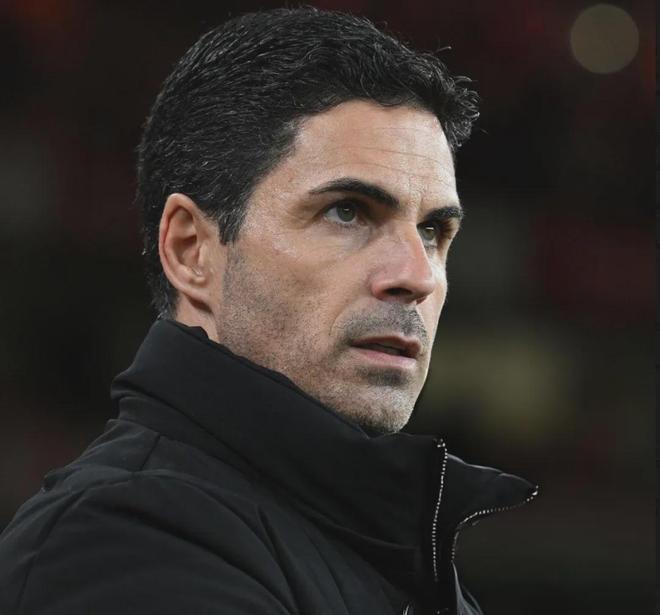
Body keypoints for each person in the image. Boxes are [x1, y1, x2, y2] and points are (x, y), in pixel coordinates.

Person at [0, 8, 538, 615]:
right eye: (347, 212)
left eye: (434, 231)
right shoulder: (119, 543)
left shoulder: (386, 552)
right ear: (192, 250)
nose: (417, 276)